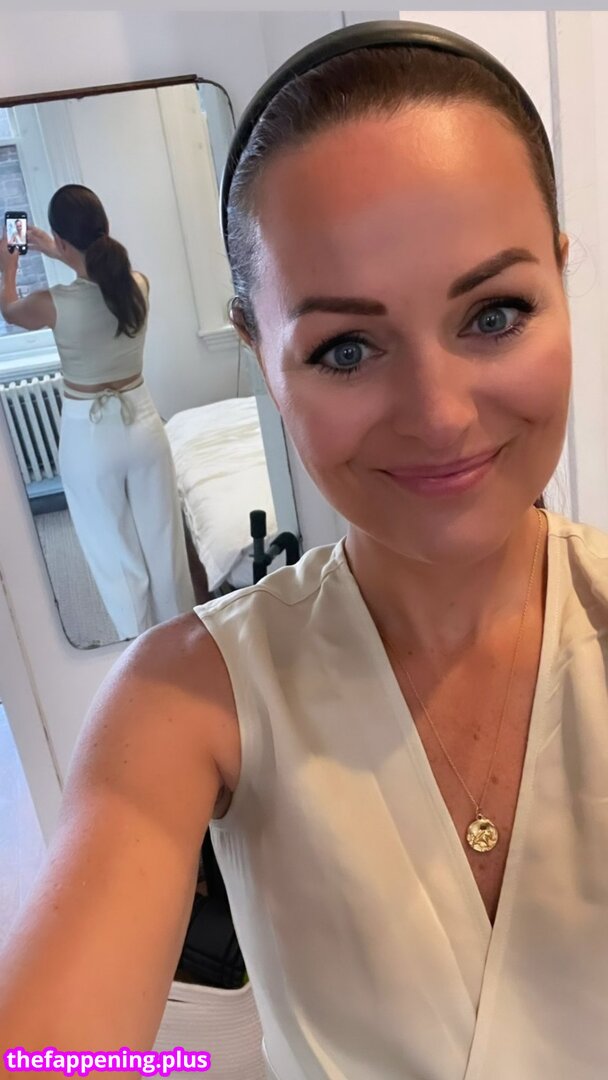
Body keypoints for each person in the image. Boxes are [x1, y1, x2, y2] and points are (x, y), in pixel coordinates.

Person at [0, 20, 606, 1079]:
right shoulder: (186, 698)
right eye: (345, 347)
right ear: (258, 352)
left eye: (495, 313)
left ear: (560, 281)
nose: (439, 415)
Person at [0, 184, 195, 639]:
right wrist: (60, 249)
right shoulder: (138, 286)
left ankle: (139, 647)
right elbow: (98, 274)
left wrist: (9, 264)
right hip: (144, 427)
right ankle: (183, 641)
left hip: (89, 437)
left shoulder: (51, 304)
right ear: (103, 228)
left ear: (63, 241)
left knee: (114, 552)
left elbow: (9, 310)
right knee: (164, 544)